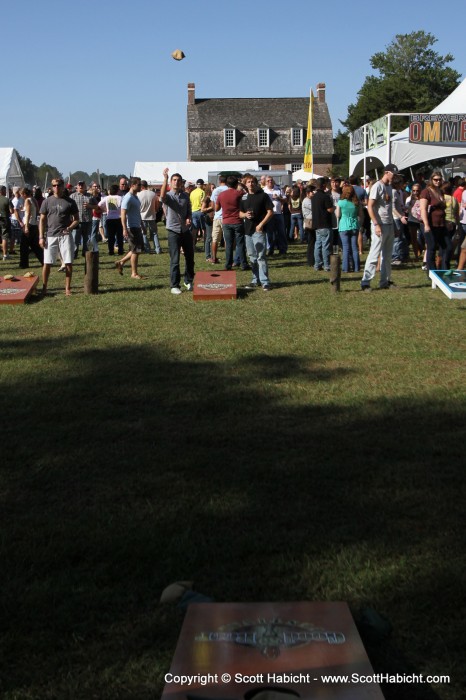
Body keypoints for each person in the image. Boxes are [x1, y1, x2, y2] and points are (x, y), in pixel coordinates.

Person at [39, 178, 79, 296]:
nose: (56, 187)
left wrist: (69, 228)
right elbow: (42, 220)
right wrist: (41, 236)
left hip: (65, 236)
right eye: (54, 185)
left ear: (63, 186)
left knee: (68, 262)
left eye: (58, 185)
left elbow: (76, 219)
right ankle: (44, 288)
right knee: (47, 263)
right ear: (51, 187)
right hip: (50, 236)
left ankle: (67, 288)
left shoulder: (70, 202)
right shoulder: (46, 202)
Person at [360, 164, 398, 291]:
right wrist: (376, 224)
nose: (395, 176)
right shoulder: (377, 186)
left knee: (387, 256)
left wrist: (394, 225)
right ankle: (365, 282)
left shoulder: (389, 187)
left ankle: (385, 281)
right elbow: (370, 206)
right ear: (387, 172)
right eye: (393, 173)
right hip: (379, 225)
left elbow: (389, 208)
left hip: (389, 224)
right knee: (374, 254)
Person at [160, 168, 194, 294]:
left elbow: (189, 210)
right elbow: (162, 196)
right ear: (171, 182)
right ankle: (174, 285)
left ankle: (188, 280)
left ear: (181, 183)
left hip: (185, 230)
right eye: (174, 180)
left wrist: (189, 218)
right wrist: (164, 179)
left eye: (178, 180)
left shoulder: (185, 196)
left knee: (190, 257)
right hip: (173, 230)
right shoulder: (168, 196)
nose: (176, 182)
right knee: (175, 259)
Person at [239, 175, 274, 290]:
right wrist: (245, 215)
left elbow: (270, 212)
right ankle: (255, 280)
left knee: (261, 256)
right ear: (245, 184)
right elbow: (240, 213)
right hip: (247, 231)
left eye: (253, 182)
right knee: (252, 257)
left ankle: (265, 281)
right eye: (248, 182)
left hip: (258, 230)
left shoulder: (263, 196)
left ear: (256, 183)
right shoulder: (243, 197)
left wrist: (261, 225)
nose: (251, 184)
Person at [419, 172, 449, 272]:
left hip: (441, 224)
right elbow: (423, 209)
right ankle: (432, 272)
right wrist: (426, 225)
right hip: (431, 224)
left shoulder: (440, 191)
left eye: (439, 179)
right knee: (431, 248)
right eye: (435, 179)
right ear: (431, 180)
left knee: (447, 246)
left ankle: (444, 269)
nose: (438, 181)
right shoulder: (426, 192)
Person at [115, 177, 145, 279]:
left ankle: (121, 262)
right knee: (136, 250)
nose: (140, 186)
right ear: (133, 185)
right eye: (139, 185)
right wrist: (124, 228)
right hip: (131, 227)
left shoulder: (135, 197)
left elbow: (137, 213)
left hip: (136, 226)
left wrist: (142, 225)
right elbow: (123, 213)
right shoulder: (128, 197)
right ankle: (134, 273)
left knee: (135, 249)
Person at [216, 176, 247, 271]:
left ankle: (228, 264)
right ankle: (243, 264)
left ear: (226, 184)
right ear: (236, 184)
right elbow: (246, 191)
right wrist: (242, 184)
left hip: (226, 221)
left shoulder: (221, 195)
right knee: (240, 244)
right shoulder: (238, 193)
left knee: (228, 244)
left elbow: (216, 208)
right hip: (237, 220)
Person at [336, 185, 361, 273]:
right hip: (354, 225)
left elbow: (338, 215)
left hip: (344, 225)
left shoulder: (341, 202)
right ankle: (357, 267)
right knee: (354, 247)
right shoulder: (356, 203)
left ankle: (345, 268)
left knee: (345, 248)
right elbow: (360, 214)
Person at [311, 178, 334, 271]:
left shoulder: (314, 197)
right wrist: (334, 207)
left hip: (316, 223)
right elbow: (329, 209)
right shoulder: (325, 196)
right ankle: (326, 264)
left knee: (318, 244)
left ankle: (317, 264)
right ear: (324, 185)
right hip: (325, 223)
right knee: (326, 245)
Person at [263, 176, 287, 256]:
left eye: (271, 180)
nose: (270, 182)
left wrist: (279, 198)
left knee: (281, 232)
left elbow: (285, 200)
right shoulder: (264, 191)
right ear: (265, 182)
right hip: (269, 215)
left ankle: (282, 249)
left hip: (278, 214)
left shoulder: (279, 189)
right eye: (268, 181)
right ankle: (270, 249)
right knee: (269, 234)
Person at [20, 187, 43, 269]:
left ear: (24, 194)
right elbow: (37, 211)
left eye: (22, 195)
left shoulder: (27, 200)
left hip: (28, 224)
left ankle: (24, 264)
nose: (21, 196)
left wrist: (26, 227)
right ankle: (43, 260)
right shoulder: (34, 199)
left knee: (24, 246)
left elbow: (29, 213)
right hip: (34, 224)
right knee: (35, 245)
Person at [98, 184, 123, 255]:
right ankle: (120, 250)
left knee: (110, 236)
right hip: (118, 218)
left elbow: (99, 205)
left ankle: (111, 250)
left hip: (109, 218)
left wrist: (105, 209)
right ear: (117, 191)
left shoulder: (107, 198)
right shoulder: (120, 198)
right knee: (119, 236)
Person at [138, 180, 162, 254]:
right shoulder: (153, 194)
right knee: (154, 233)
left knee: (144, 233)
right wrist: (156, 210)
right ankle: (157, 248)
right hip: (152, 216)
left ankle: (147, 249)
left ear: (141, 186)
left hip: (142, 216)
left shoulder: (138, 195)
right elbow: (157, 205)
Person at [70, 181, 92, 258]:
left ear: (85, 186)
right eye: (79, 185)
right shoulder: (72, 196)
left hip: (87, 221)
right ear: (77, 186)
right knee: (75, 239)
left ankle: (85, 253)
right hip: (77, 222)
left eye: (82, 185)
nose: (81, 186)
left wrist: (90, 206)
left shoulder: (90, 196)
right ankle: (74, 254)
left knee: (87, 239)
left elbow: (97, 206)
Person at [210, 175, 228, 264]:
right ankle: (228, 258)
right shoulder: (229, 189)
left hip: (217, 217)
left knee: (215, 239)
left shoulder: (215, 190)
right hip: (227, 217)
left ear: (219, 181)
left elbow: (213, 205)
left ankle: (213, 257)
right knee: (226, 239)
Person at [0, 186, 12, 261]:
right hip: (5, 219)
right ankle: (5, 254)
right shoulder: (7, 200)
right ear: (3, 191)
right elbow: (11, 211)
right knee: (5, 237)